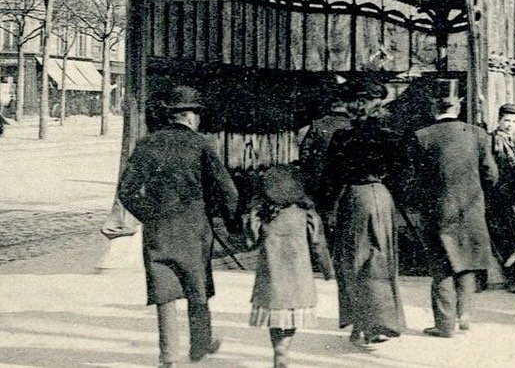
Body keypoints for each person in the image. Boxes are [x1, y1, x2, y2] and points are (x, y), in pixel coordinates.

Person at [118, 85, 239, 367]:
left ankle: (168, 357)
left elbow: (126, 191)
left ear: (170, 115)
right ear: (192, 116)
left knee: (164, 294)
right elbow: (228, 191)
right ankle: (199, 347)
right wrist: (232, 224)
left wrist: (150, 215)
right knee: (197, 290)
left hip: (158, 231)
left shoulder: (146, 144)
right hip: (194, 231)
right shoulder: (201, 145)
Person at [320, 79, 408, 348]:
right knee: (379, 260)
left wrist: (327, 207)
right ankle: (378, 323)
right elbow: (404, 171)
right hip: (381, 197)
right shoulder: (391, 134)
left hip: (353, 198)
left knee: (353, 261)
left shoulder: (342, 137)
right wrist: (391, 192)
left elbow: (330, 177)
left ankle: (362, 324)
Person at [411, 78, 498, 337]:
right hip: (471, 209)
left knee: (442, 267)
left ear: (433, 108)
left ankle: (444, 324)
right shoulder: (478, 135)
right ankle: (465, 315)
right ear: (457, 107)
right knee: (466, 263)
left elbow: (414, 181)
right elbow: (491, 175)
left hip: (438, 211)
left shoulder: (422, 136)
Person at [244, 164, 335, 368]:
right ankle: (285, 349)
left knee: (274, 318)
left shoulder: (263, 214)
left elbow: (249, 242)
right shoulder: (306, 215)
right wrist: (328, 270)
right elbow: (319, 244)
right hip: (298, 278)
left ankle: (278, 351)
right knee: (293, 317)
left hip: (271, 278)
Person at [485, 103, 515, 291]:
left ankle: (509, 279)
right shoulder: (493, 142)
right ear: (499, 120)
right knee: (502, 239)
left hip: (509, 199)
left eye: (514, 121)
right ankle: (509, 280)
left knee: (507, 239)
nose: (510, 124)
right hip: (497, 198)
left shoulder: (512, 144)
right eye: (506, 120)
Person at [298, 79, 353, 219]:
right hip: (344, 178)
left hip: (319, 176)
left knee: (320, 211)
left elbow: (305, 151)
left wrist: (309, 169)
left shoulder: (318, 124)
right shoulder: (351, 125)